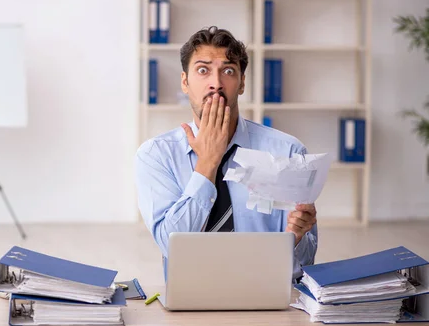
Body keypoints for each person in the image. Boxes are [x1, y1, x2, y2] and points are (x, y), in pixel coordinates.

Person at [135, 26, 318, 282]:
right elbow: (170, 246)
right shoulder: (156, 155)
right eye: (203, 70)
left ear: (242, 83)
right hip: (190, 299)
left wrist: (297, 238)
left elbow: (304, 266)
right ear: (185, 82)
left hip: (267, 295)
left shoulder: (287, 152)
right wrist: (208, 162)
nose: (216, 83)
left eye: (228, 71)